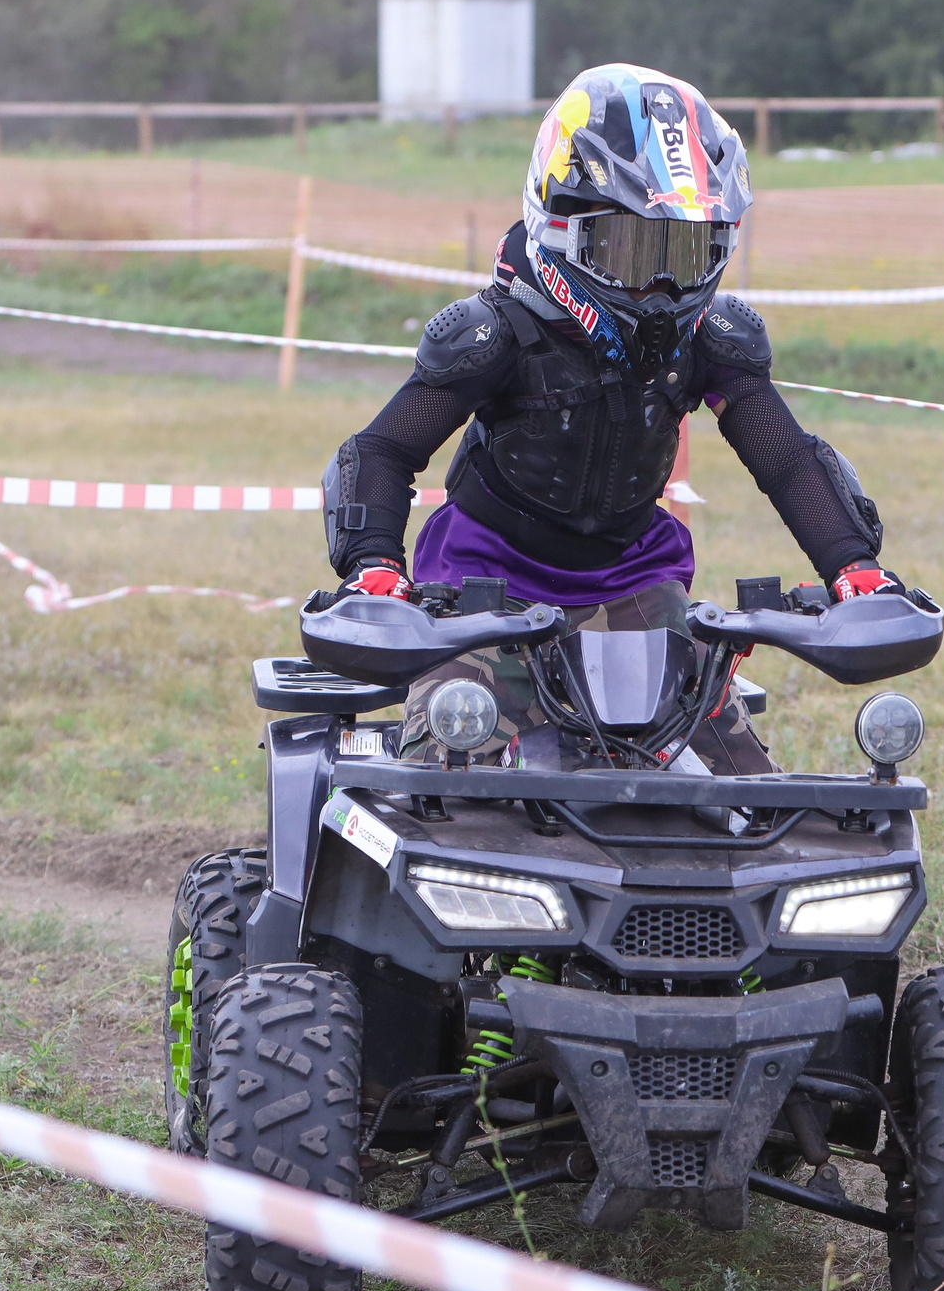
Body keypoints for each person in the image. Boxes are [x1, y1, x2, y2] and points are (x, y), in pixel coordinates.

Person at [320, 63, 911, 772]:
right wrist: (375, 568)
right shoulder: (491, 335)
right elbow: (381, 451)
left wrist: (857, 571)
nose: (661, 286)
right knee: (445, 781)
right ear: (561, 225)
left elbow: (787, 461)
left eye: (685, 252)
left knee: (741, 794)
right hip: (484, 593)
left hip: (635, 588)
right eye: (629, 248)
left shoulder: (713, 342)